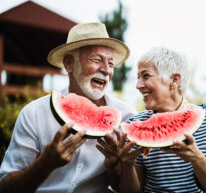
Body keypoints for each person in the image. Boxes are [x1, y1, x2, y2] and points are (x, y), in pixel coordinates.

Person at [0, 22, 137, 193]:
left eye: (111, 63)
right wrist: (44, 165)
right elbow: (5, 187)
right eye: (96, 60)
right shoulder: (34, 113)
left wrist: (116, 169)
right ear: (69, 64)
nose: (106, 70)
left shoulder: (126, 116)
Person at [97, 47, 206, 193]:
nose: (138, 85)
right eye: (138, 77)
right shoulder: (135, 124)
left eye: (146, 76)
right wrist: (127, 163)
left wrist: (197, 159)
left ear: (174, 80)